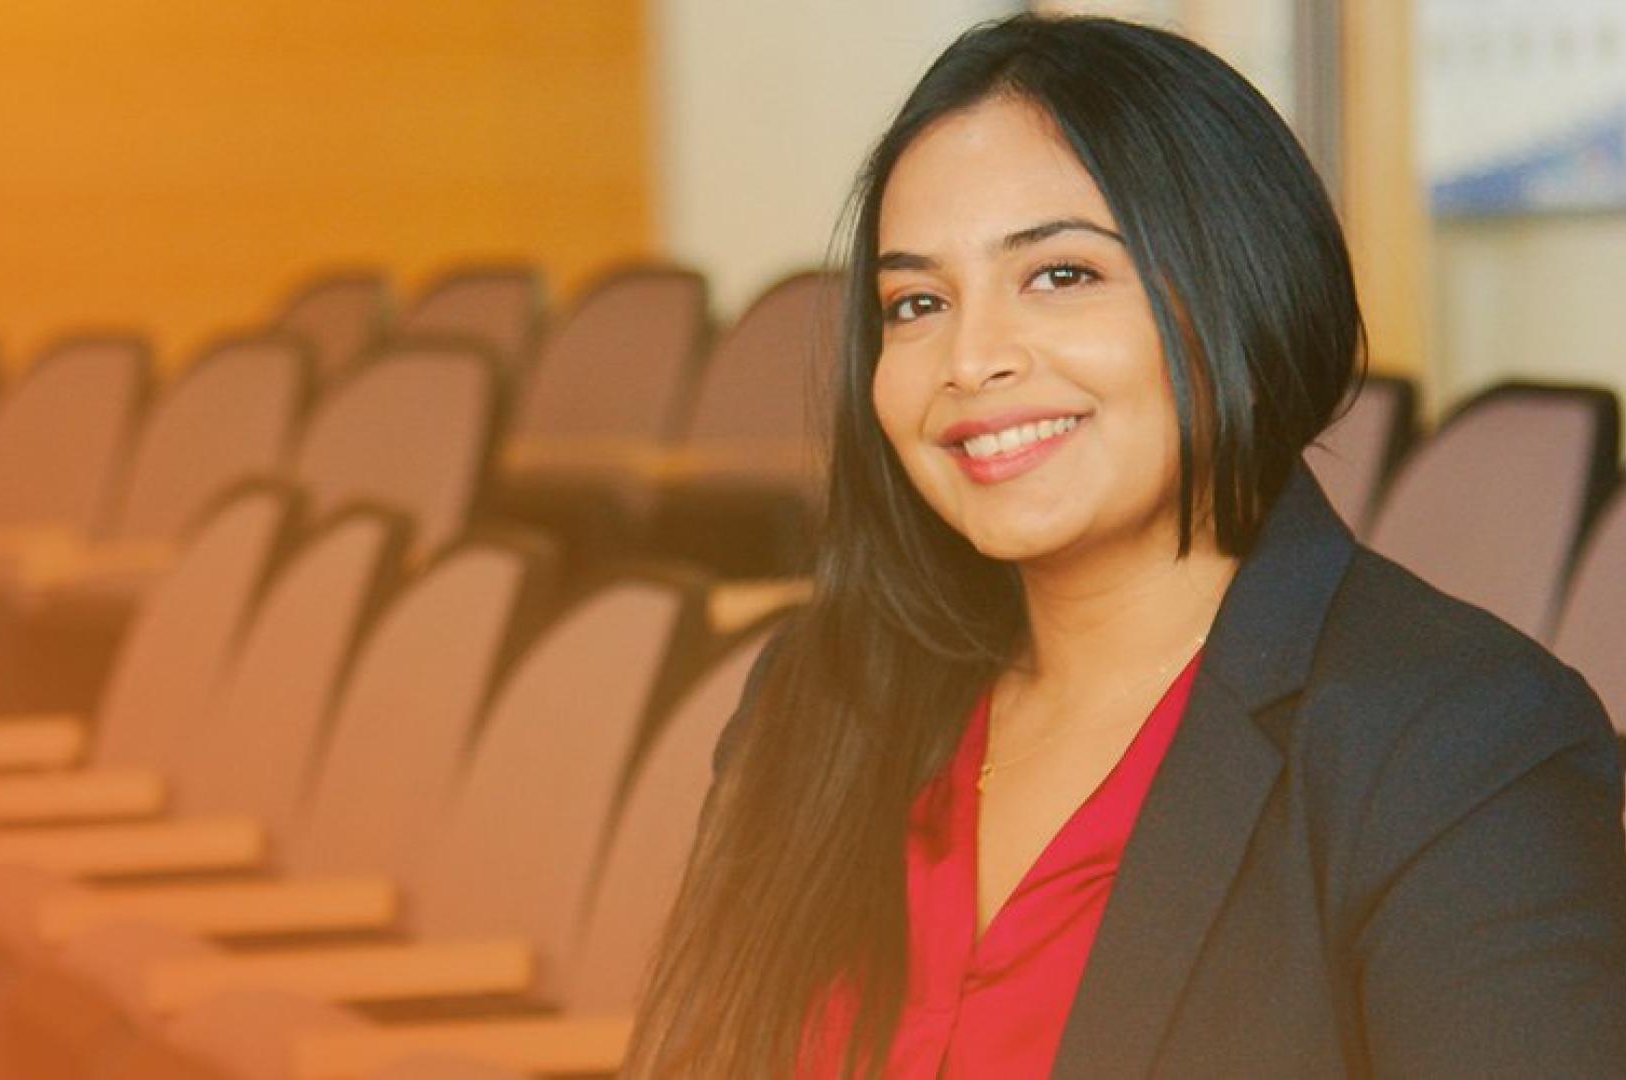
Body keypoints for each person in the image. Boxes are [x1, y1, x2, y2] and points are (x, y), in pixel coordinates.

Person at [625, 14, 1626, 1079]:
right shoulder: (819, 699)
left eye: (1060, 276)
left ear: (1237, 284)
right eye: (916, 303)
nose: (970, 360)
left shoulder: (1457, 746)